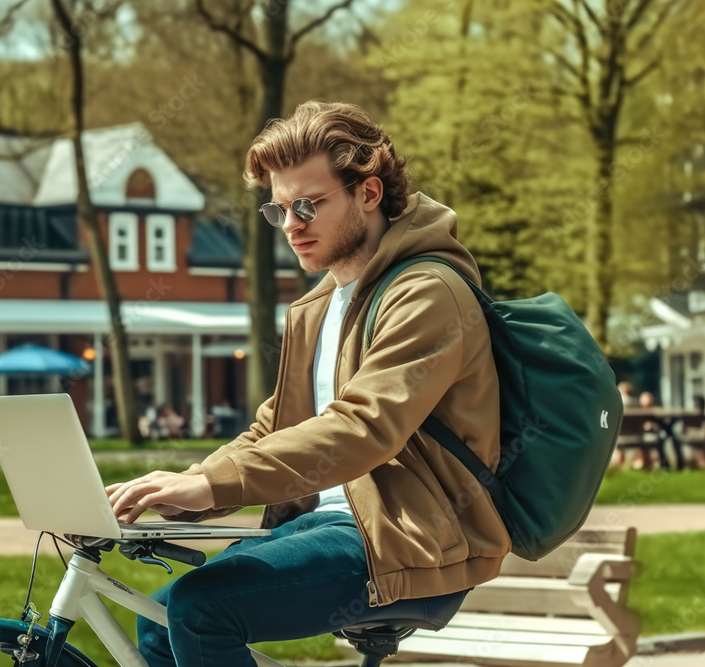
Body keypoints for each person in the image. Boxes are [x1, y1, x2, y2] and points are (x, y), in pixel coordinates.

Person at [106, 101, 510, 667]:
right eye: (279, 210)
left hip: (405, 537)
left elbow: (364, 428)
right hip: (328, 525)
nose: (291, 225)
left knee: (201, 608)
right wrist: (189, 483)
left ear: (368, 194)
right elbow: (274, 427)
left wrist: (216, 485)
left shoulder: (427, 293)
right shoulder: (316, 306)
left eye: (306, 205)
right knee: (155, 625)